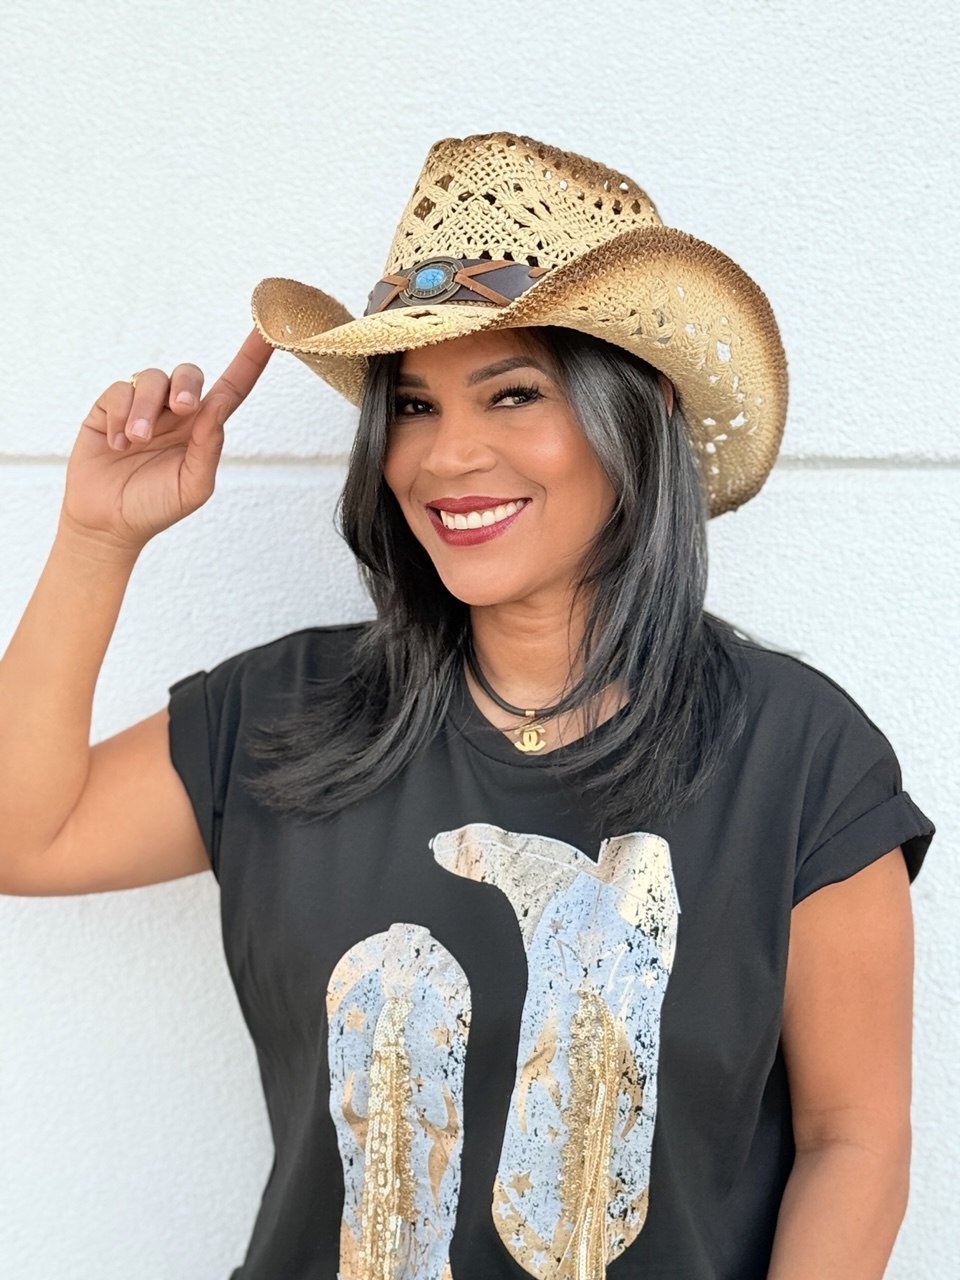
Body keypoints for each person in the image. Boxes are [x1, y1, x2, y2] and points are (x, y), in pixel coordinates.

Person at [0, 132, 934, 1280]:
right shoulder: (284, 714)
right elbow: (21, 835)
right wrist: (95, 539)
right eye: (412, 404)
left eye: (513, 393)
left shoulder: (797, 755)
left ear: (633, 412)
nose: (446, 456)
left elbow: (855, 1140)